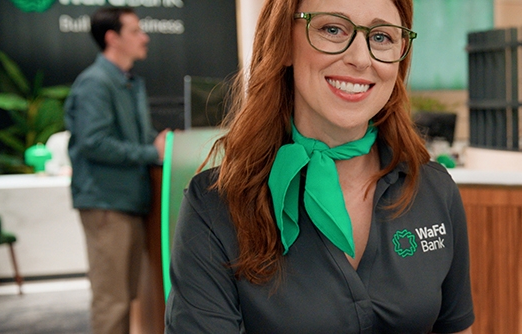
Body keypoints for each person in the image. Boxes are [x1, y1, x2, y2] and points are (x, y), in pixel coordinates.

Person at [163, 0, 475, 332]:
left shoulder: (434, 190)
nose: (360, 58)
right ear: (284, 44)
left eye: (382, 37)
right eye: (332, 29)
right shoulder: (214, 208)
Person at [63, 7, 168, 334]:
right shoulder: (95, 83)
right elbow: (93, 142)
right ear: (112, 37)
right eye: (136, 30)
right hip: (107, 203)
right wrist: (152, 150)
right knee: (113, 301)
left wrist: (160, 144)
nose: (144, 37)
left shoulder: (128, 81)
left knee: (126, 298)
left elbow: (133, 137)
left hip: (128, 202)